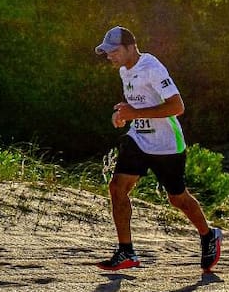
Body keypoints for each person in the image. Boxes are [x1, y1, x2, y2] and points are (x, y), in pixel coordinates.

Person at [94, 26, 222, 273]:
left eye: (114, 50)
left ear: (131, 47)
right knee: (117, 188)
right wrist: (123, 113)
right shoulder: (124, 71)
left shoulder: (152, 68)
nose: (110, 56)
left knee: (177, 199)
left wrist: (135, 113)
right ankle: (126, 251)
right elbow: (139, 103)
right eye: (107, 52)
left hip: (166, 145)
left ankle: (209, 235)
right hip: (139, 140)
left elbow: (177, 106)